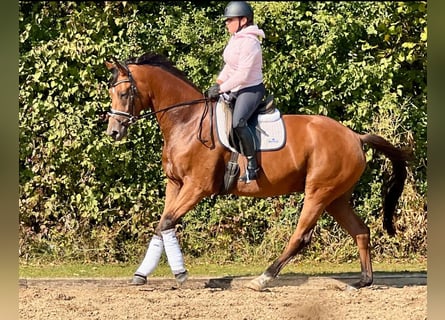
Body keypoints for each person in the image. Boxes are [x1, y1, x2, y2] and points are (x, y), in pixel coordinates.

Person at [207, 1, 266, 183]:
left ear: (243, 20)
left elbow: (243, 74)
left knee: (238, 122)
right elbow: (230, 67)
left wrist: (222, 89)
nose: (227, 23)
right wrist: (218, 83)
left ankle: (252, 165)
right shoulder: (236, 38)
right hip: (236, 87)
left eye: (230, 20)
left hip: (251, 89)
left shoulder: (250, 43)